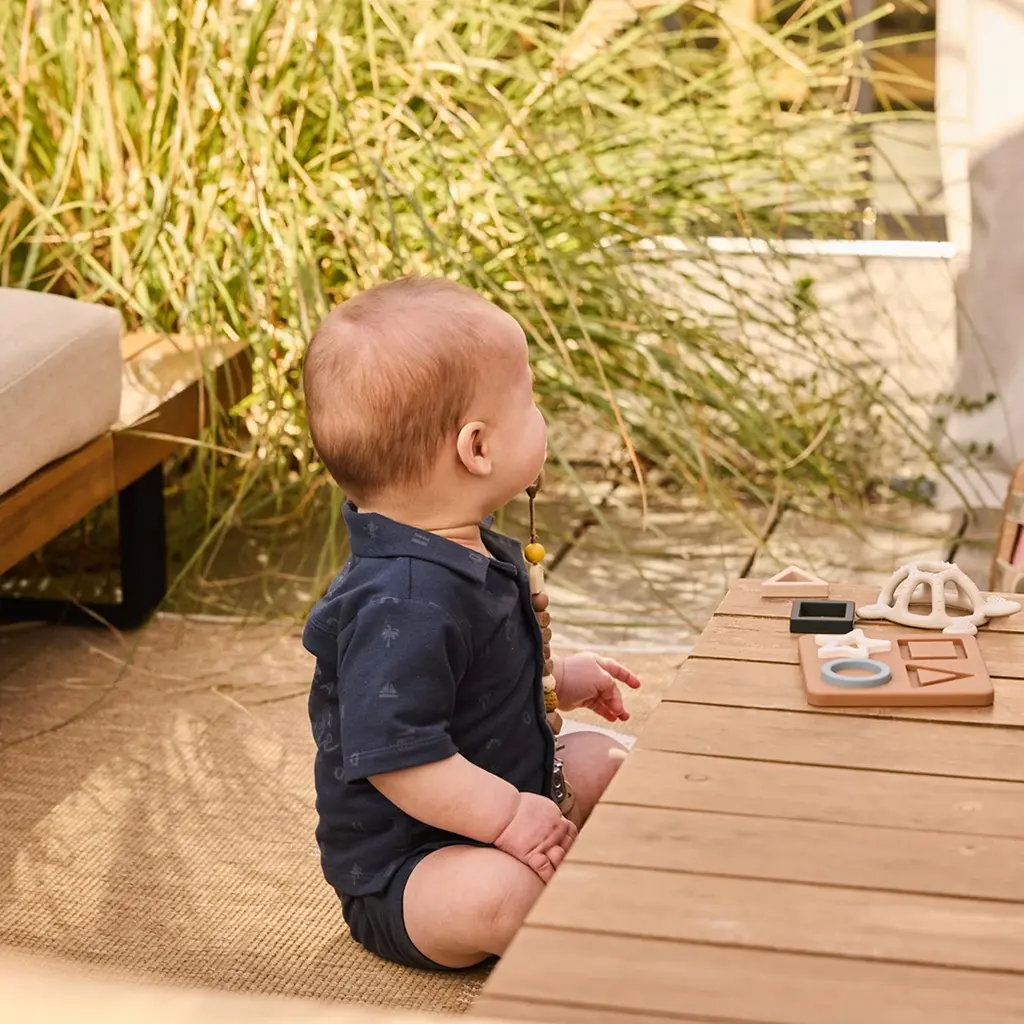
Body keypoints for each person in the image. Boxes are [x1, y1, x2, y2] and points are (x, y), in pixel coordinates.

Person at [301, 275, 641, 971]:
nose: (542, 415)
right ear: (477, 448)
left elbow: (476, 676)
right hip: (412, 868)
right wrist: (510, 820)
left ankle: (592, 871)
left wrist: (558, 681)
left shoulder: (462, 546)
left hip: (513, 784)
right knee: (504, 897)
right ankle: (580, 914)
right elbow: (399, 757)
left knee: (612, 764)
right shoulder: (400, 597)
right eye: (530, 399)